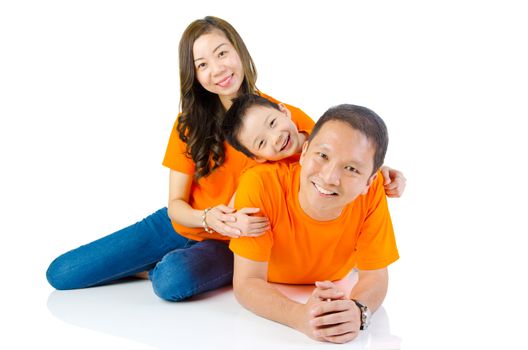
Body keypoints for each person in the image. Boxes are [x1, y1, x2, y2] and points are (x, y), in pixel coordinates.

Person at [46, 16, 405, 301]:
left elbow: (334, 153)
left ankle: (156, 268)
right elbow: (175, 205)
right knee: (62, 274)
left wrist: (380, 170)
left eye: (221, 53)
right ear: (195, 76)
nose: (217, 69)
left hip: (234, 242)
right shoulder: (188, 124)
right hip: (185, 222)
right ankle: (146, 264)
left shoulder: (283, 118)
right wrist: (207, 217)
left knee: (172, 280)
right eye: (202, 64)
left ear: (239, 51)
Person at [229, 104, 399, 344]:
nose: (329, 178)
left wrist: (358, 310)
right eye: (323, 156)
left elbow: (376, 276)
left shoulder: (373, 193)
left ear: (369, 181)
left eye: (351, 169)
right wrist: (298, 315)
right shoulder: (258, 184)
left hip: (337, 274)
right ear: (305, 151)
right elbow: (247, 282)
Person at [223, 93, 405, 197]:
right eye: (262, 142)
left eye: (272, 123)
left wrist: (382, 172)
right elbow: (239, 201)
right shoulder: (266, 174)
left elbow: (355, 156)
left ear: (284, 112)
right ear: (257, 157)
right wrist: (238, 219)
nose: (276, 138)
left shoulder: (326, 137)